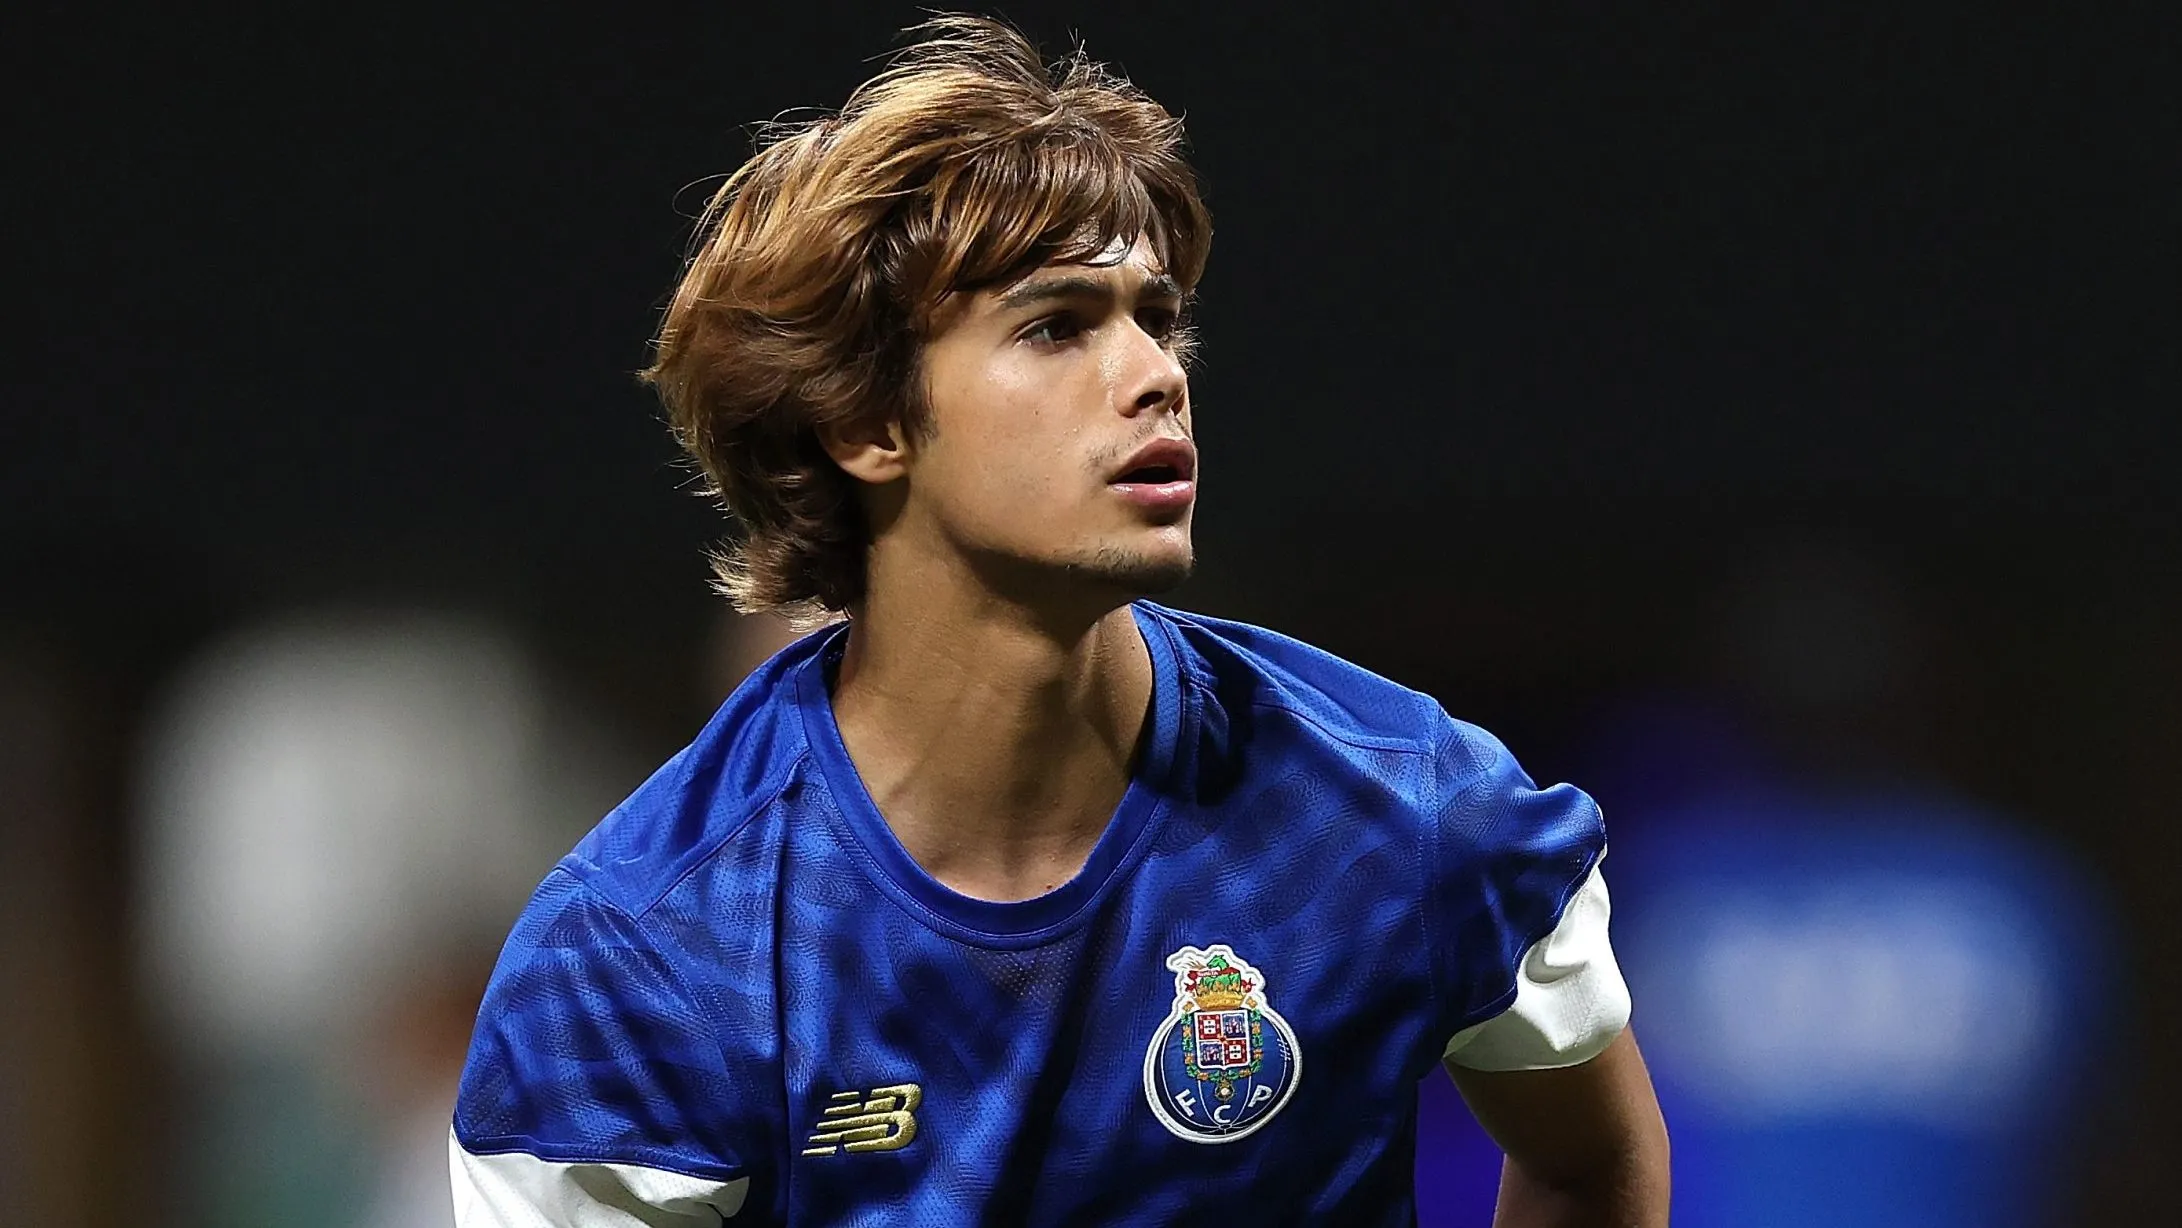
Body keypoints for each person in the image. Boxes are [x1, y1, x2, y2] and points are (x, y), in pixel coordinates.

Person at [451, 16, 1668, 1226]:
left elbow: (1586, 1163)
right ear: (865, 426)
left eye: (1158, 316)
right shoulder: (639, 962)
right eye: (1056, 326)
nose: (1155, 372)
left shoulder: (1407, 809)